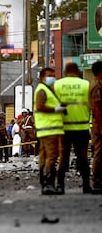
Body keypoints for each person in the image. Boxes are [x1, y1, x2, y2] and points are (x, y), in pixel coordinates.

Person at [54, 62, 92, 194]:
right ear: (77, 72)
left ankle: (60, 186)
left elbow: (55, 107)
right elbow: (91, 105)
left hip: (64, 128)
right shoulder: (86, 85)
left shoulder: (58, 85)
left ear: (65, 72)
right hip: (82, 127)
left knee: (63, 156)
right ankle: (86, 185)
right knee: (83, 156)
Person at [34, 67, 66, 195]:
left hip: (46, 129)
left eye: (53, 75)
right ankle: (49, 183)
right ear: (42, 77)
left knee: (44, 156)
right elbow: (40, 106)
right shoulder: (42, 90)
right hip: (49, 129)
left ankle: (44, 183)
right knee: (52, 156)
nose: (52, 77)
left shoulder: (47, 89)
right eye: (49, 75)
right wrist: (56, 109)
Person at [89, 61, 102, 194]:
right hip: (99, 125)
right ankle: (97, 182)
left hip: (99, 124)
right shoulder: (96, 87)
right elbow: (97, 108)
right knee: (99, 153)